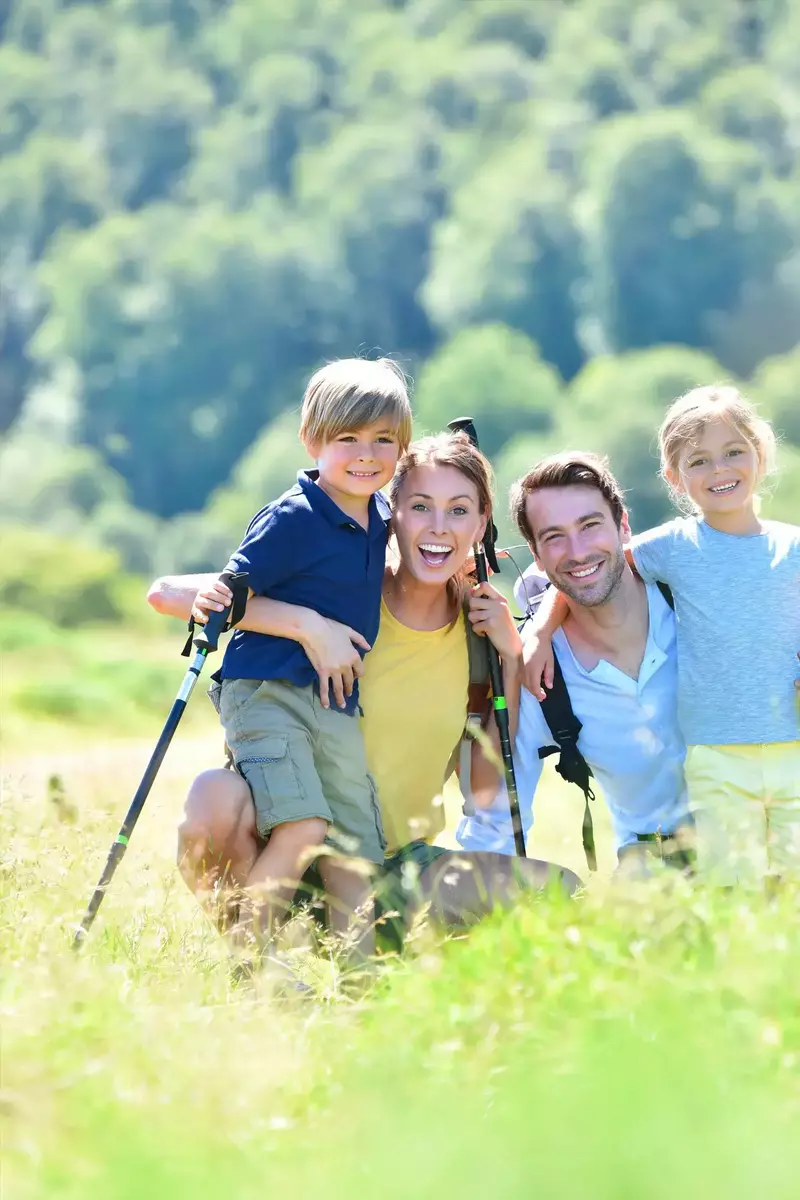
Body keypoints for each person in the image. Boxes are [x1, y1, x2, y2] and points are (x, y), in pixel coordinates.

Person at [148, 432, 578, 954]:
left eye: (458, 510)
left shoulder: (479, 632)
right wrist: (307, 625)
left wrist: (511, 658)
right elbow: (168, 592)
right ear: (390, 512)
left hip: (396, 869)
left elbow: (484, 791)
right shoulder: (339, 591)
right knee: (213, 798)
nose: (438, 528)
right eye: (420, 506)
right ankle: (259, 967)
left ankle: (383, 957)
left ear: (481, 524)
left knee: (562, 894)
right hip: (287, 853)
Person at [200, 356, 412, 953]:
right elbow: (233, 593)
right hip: (267, 691)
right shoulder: (293, 517)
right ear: (312, 440)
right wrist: (222, 599)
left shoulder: (380, 517)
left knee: (355, 848)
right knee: (302, 826)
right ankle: (246, 961)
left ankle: (360, 985)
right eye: (348, 439)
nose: (366, 454)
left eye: (383, 440)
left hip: (335, 703)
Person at [458, 452, 693, 873]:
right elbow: (490, 812)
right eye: (554, 537)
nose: (578, 551)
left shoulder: (692, 599)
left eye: (590, 526)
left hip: (768, 828)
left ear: (624, 526)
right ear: (535, 553)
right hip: (655, 862)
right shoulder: (542, 673)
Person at [627, 386, 800, 884]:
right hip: (716, 756)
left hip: (795, 745)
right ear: (674, 478)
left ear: (760, 456)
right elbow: (594, 575)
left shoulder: (792, 546)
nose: (720, 470)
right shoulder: (672, 547)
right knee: (734, 892)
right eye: (698, 461)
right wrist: (538, 632)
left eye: (734, 452)